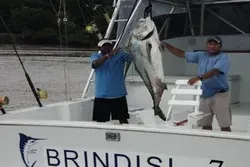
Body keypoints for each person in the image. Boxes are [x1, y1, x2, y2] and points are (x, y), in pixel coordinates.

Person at [162, 36, 231, 132]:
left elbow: (215, 71)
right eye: (210, 44)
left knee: (224, 125)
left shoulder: (223, 57)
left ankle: (226, 146)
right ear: (206, 45)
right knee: (205, 125)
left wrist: (199, 78)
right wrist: (166, 45)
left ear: (220, 46)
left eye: (215, 44)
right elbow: (182, 53)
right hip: (204, 94)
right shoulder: (201, 55)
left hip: (220, 94)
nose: (212, 46)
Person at [90, 39, 133, 124]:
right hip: (102, 96)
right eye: (104, 46)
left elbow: (132, 57)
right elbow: (94, 64)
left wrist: (128, 49)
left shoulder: (121, 55)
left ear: (112, 46)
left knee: (123, 120)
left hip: (119, 95)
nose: (107, 47)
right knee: (100, 121)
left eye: (109, 45)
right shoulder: (95, 56)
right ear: (99, 48)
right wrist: (110, 54)